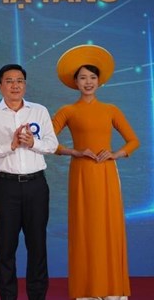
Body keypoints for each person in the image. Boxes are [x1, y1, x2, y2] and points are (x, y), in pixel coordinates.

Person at [52, 45, 139, 300]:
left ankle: (112, 288)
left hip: (106, 174)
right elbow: (47, 142)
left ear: (99, 81)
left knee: (109, 226)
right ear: (75, 82)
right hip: (81, 174)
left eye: (92, 77)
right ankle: (87, 290)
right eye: (83, 78)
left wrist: (115, 154)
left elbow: (133, 141)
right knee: (84, 227)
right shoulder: (68, 111)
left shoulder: (111, 109)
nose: (88, 82)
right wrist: (74, 152)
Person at [0, 64, 58, 300]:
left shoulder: (39, 111)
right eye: (10, 81)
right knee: (6, 246)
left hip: (36, 185)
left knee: (37, 245)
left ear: (25, 84)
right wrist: (11, 145)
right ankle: (8, 296)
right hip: (6, 187)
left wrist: (33, 143)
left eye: (20, 81)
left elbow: (52, 145)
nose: (15, 85)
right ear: (0, 86)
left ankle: (37, 295)